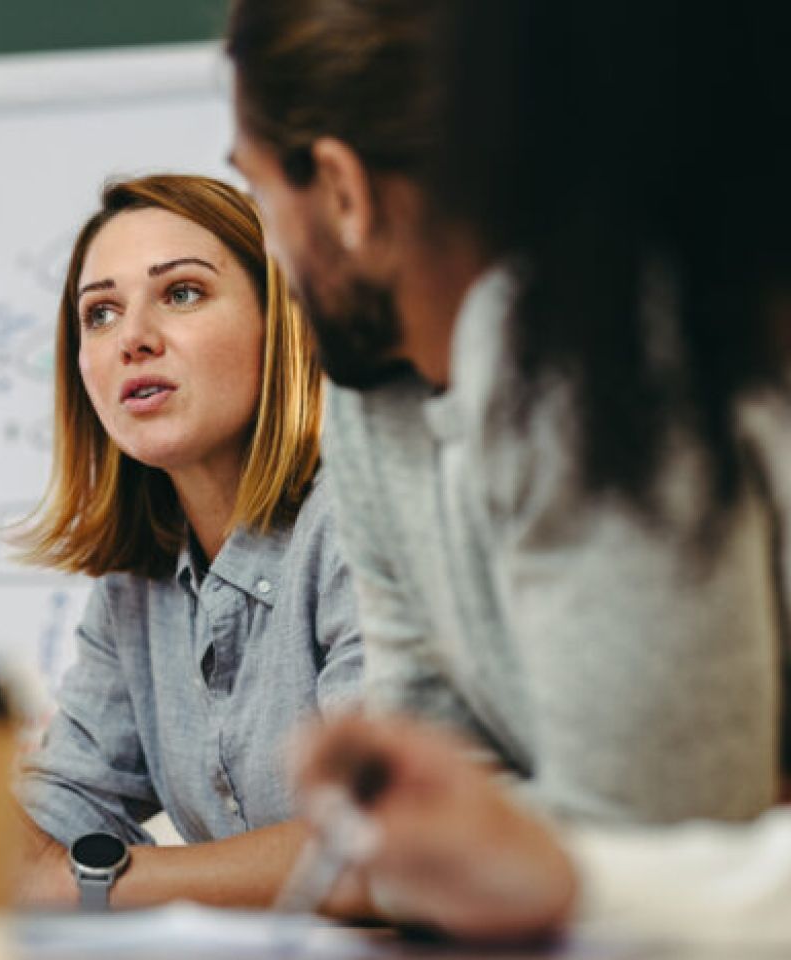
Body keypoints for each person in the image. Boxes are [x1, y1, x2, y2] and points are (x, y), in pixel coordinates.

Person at [228, 0, 791, 941]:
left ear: (342, 191)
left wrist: (522, 859)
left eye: (255, 195)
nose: (272, 255)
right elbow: (417, 828)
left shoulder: (596, 369)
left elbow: (657, 831)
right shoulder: (371, 404)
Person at [0, 174, 366, 913]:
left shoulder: (366, 526)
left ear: (284, 325)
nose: (133, 340)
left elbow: (390, 841)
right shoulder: (133, 587)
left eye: (181, 293)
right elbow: (67, 812)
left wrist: (71, 878)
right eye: (101, 314)